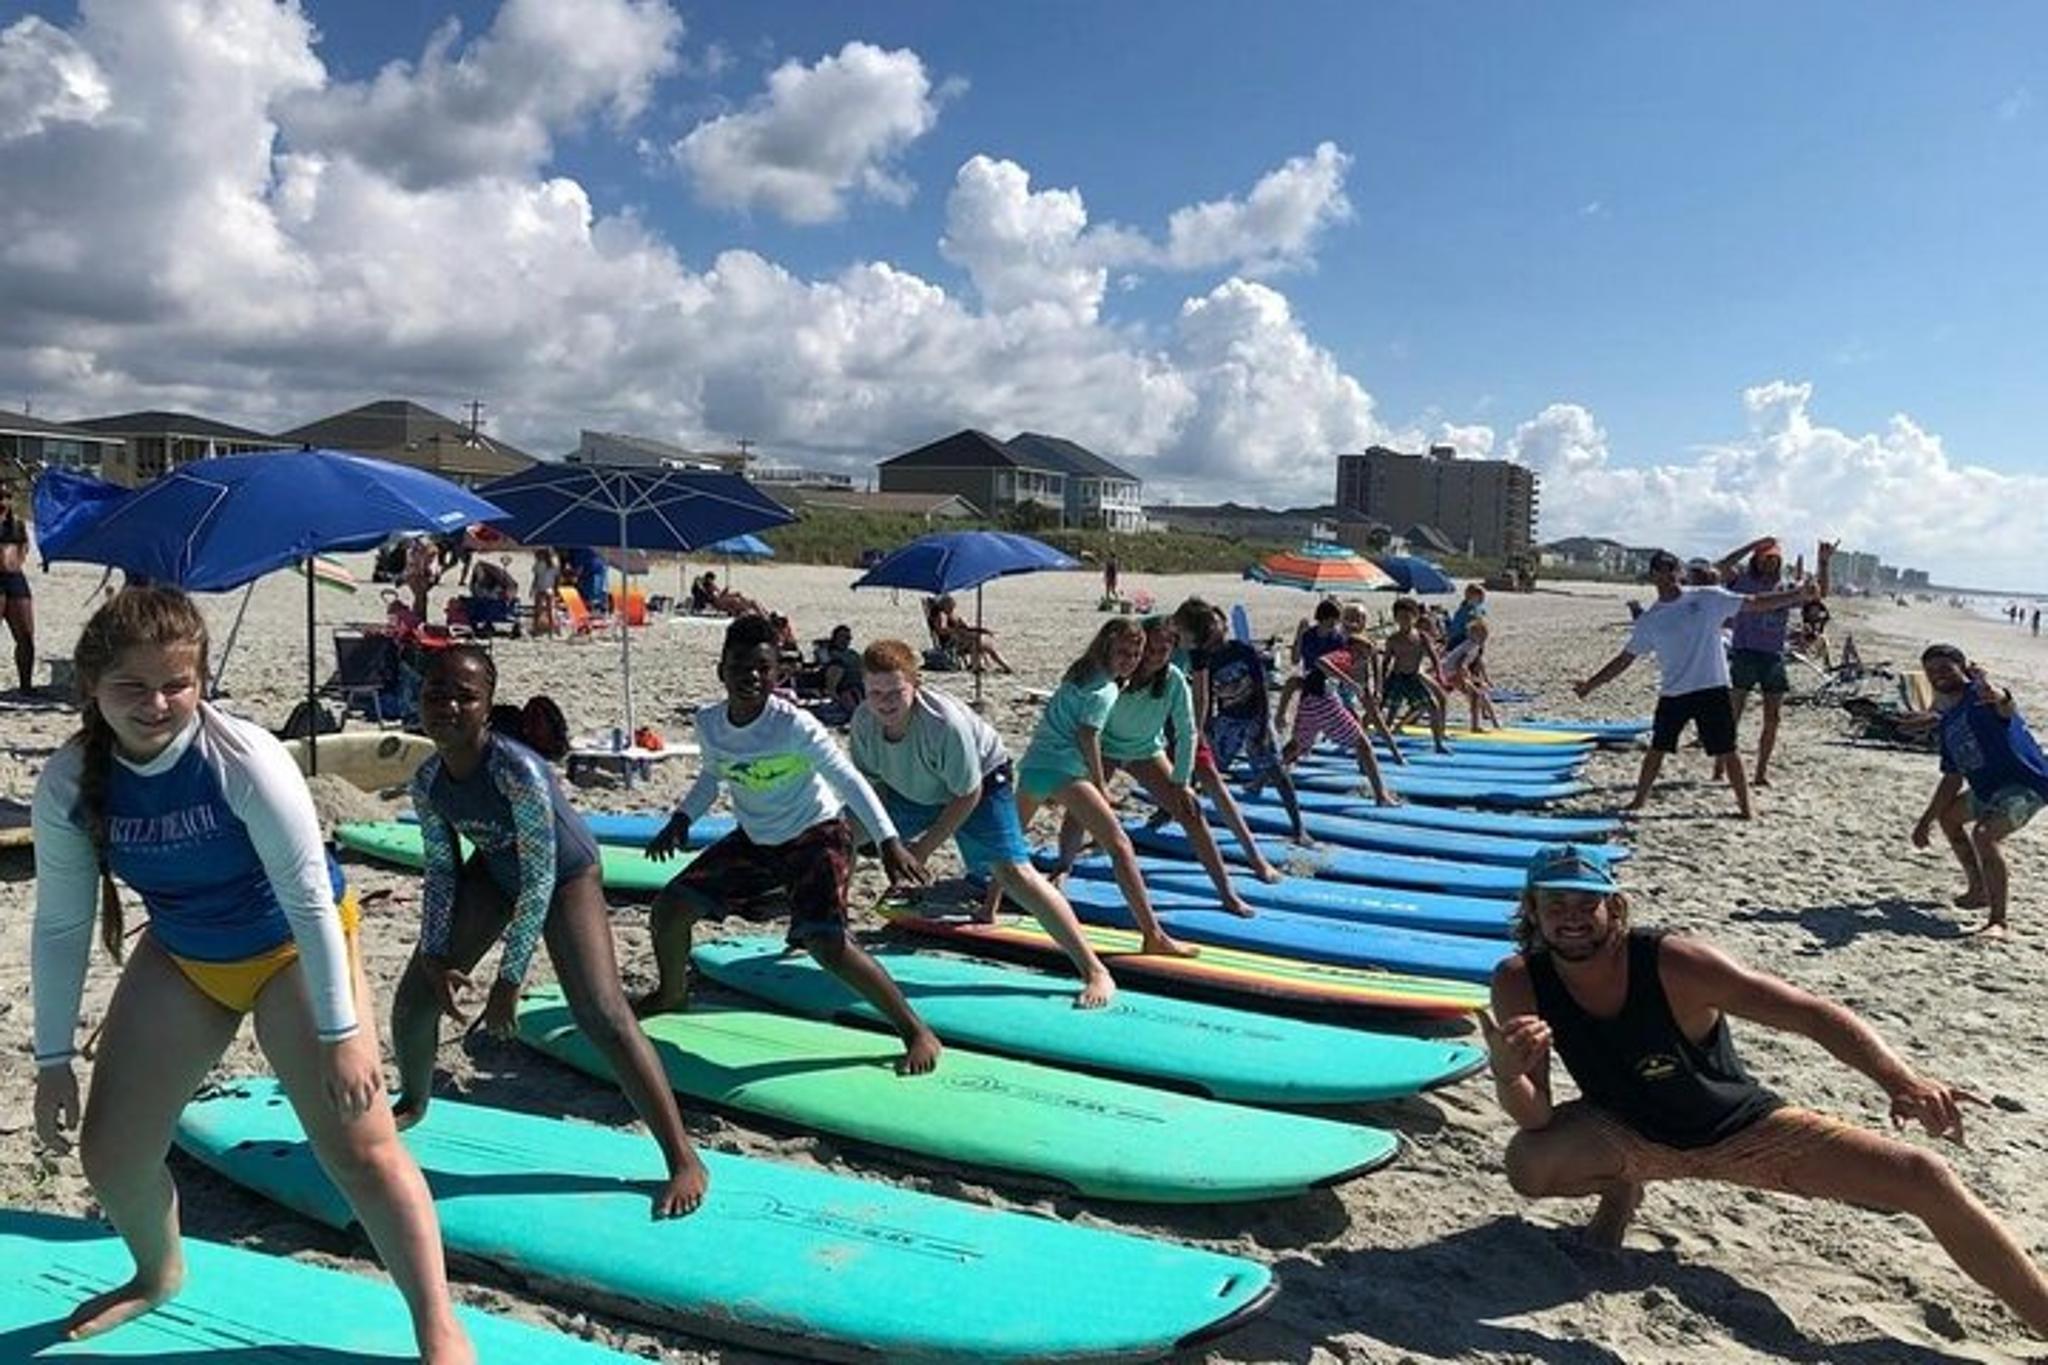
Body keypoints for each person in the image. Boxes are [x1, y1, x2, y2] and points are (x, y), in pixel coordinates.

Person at [28, 586, 473, 1360]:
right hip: (184, 954)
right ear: (91, 688)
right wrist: (51, 1058)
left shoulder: (245, 759)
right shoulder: (68, 781)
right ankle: (157, 1272)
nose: (157, 703)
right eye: (131, 686)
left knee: (357, 1149)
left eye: (177, 682)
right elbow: (62, 923)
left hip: (293, 950)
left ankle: (439, 1324)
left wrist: (343, 1034)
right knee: (112, 1155)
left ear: (201, 678)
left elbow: (308, 900)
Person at [1481, 844, 2048, 1335]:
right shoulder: (1517, 980)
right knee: (1531, 1162)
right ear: (1532, 908)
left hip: (1744, 1132)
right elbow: (1534, 1116)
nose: (1571, 917)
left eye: (1586, 903)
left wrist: (1901, 1080)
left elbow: (1811, 1014)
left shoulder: (1675, 962)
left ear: (1615, 907)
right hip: (1628, 1132)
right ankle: (1624, 1190)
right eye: (1555, 903)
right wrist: (1509, 1072)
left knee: (1926, 1177)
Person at [390, 646, 707, 1216]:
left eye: (466, 696)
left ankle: (683, 1156)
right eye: (436, 693)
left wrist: (507, 980)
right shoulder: (429, 780)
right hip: (493, 867)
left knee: (602, 1014)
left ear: (487, 706)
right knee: (416, 996)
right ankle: (413, 1101)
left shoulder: (518, 770)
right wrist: (435, 954)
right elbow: (441, 871)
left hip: (565, 875)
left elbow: (539, 878)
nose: (449, 706)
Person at [639, 614, 944, 1074]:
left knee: (828, 946)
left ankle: (916, 1030)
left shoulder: (794, 725)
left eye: (763, 668)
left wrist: (888, 842)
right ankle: (672, 992)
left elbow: (849, 779)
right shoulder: (709, 723)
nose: (751, 677)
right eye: (740, 666)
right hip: (756, 839)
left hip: (816, 837)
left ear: (778, 674)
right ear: (721, 670)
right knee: (669, 909)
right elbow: (712, 777)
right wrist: (681, 818)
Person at [851, 640, 1117, 1006]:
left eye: (895, 691)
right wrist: (887, 841)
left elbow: (967, 795)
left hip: (980, 784)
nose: (884, 702)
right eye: (875, 692)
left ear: (915, 685)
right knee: (840, 834)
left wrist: (922, 850)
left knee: (1014, 874)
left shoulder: (944, 724)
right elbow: (872, 789)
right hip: (912, 788)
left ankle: (1094, 969)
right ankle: (830, 932)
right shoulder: (864, 721)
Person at [1574, 549, 1817, 819]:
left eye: (1672, 569)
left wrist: (1797, 595)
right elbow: (1624, 659)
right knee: (1657, 749)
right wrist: (1590, 684)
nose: (1667, 575)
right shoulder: (1651, 619)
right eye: (1660, 570)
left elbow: (1755, 602)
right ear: (1653, 576)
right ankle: (1639, 800)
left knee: (1728, 749)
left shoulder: (1708, 598)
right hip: (1674, 692)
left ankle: (1746, 808)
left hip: (1712, 688)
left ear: (1680, 572)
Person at [1003, 618, 1195, 956]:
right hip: (1064, 771)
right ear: (1107, 647)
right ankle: (1153, 934)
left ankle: (987, 910)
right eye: (1123, 652)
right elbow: (1087, 734)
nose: (1131, 659)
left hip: (1034, 767)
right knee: (1120, 846)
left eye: (1136, 653)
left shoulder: (1080, 674)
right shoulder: (1106, 688)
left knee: (1011, 846)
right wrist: (1099, 782)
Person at [1060, 615, 1255, 916]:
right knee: (1081, 810)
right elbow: (1080, 709)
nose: (1154, 657)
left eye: (1164, 651)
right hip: (1107, 749)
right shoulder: (1118, 673)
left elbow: (1188, 729)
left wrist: (1182, 782)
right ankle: (1062, 869)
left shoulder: (1174, 678)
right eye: (1149, 649)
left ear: (1172, 651)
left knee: (1192, 813)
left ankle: (1227, 893)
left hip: (1147, 752)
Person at [1911, 644, 2048, 937]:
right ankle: (1978, 889)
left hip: (2027, 785)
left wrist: (1993, 688)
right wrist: (1926, 821)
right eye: (1931, 671)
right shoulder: (1948, 724)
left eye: (1945, 668)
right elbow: (1951, 780)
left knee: (1985, 835)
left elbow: (2005, 705)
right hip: (1989, 790)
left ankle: (1998, 921)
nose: (1938, 676)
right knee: (1949, 818)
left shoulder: (1980, 696)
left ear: (1962, 667)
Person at [1173, 598, 1306, 854]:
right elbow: (1205, 694)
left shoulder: (1242, 651)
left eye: (1218, 624)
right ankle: (1171, 812)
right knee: (1204, 769)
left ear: (1225, 625)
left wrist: (1264, 725)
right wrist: (1207, 723)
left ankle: (1298, 827)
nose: (1215, 632)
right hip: (1227, 721)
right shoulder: (1201, 656)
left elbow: (1261, 688)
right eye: (1209, 629)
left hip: (1256, 716)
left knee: (1278, 771)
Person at [1713, 537, 1835, 788]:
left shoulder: (1786, 586)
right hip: (1744, 652)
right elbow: (1722, 566)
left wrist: (1823, 563)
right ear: (1756, 559)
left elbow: (1819, 593)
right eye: (1765, 557)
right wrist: (1753, 543)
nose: (1770, 562)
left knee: (1773, 718)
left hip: (1773, 656)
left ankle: (1760, 772)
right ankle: (1720, 765)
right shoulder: (1742, 581)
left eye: (1775, 558)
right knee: (1732, 714)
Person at [1281, 599, 1400, 804]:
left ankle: (1260, 780)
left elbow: (1315, 666)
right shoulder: (1336, 644)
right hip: (1323, 697)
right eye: (1336, 621)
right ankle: (1381, 795)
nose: (1337, 626)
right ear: (1327, 619)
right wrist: (1350, 681)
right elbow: (1317, 662)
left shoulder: (1334, 638)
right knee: (1363, 744)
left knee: (1296, 746)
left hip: (1313, 697)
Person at [1380, 597, 1452, 750]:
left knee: (1433, 706)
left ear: (1415, 617)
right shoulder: (1393, 639)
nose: (1404, 620)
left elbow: (1434, 657)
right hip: (1397, 678)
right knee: (1391, 711)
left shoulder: (1421, 637)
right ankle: (1385, 741)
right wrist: (1381, 682)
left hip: (1413, 678)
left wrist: (1440, 675)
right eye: (1400, 617)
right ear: (1395, 619)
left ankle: (1438, 744)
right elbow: (1386, 662)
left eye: (1408, 617)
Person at [926, 594, 1013, 674]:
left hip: (960, 640)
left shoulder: (952, 615)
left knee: (984, 642)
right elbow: (941, 630)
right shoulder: (941, 615)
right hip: (950, 644)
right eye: (951, 606)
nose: (952, 608)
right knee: (975, 641)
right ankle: (976, 667)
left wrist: (981, 630)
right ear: (944, 605)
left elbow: (966, 628)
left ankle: (1004, 666)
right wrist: (958, 631)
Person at [0, 489, 34, 692]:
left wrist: (14, 563)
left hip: (14, 579)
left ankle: (26, 685)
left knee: (26, 636)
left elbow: (24, 547)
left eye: (6, 496)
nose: (3, 501)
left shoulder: (16, 523)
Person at [1441, 617, 1499, 733]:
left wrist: (1480, 678)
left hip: (1453, 671)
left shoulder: (1476, 645)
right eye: (1481, 634)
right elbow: (1459, 664)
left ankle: (1494, 722)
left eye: (1485, 634)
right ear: (1471, 634)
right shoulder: (1470, 645)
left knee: (1480, 693)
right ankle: (1475, 726)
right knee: (1475, 695)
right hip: (1451, 672)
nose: (1484, 636)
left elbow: (1477, 663)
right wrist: (1465, 678)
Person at [1446, 582, 1488, 650]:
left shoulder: (1475, 610)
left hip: (1461, 638)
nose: (1478, 599)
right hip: (1459, 637)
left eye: (1479, 597)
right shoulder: (1466, 609)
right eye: (1476, 597)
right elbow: (1456, 625)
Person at [529, 548, 559, 637]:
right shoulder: (553, 565)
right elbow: (556, 579)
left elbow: (536, 578)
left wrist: (532, 588)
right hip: (549, 588)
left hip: (541, 588)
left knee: (538, 610)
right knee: (550, 610)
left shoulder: (539, 564)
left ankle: (537, 629)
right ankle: (550, 630)